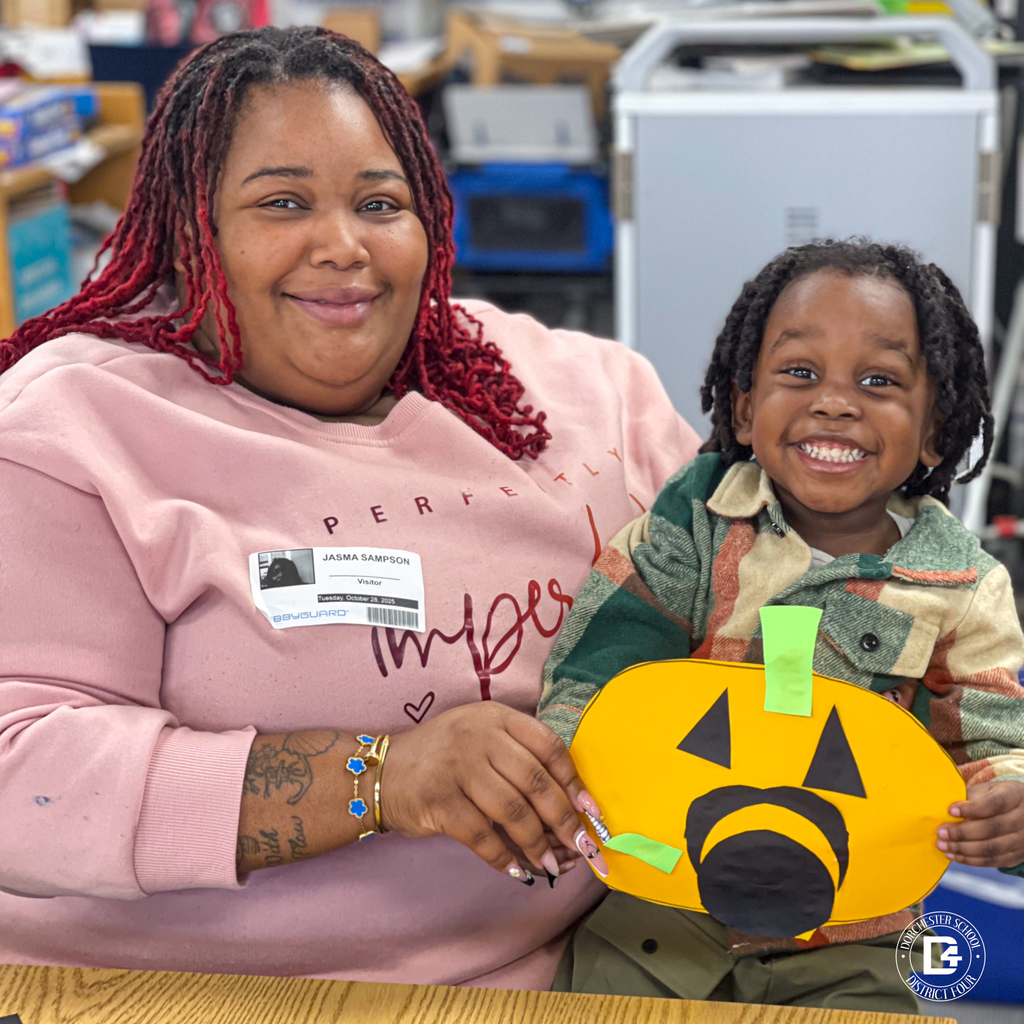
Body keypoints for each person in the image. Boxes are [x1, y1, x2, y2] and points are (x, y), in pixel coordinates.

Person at [0, 27, 702, 984]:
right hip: (172, 995)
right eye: (282, 202)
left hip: (585, 965)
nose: (343, 246)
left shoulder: (592, 390)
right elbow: (20, 775)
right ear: (187, 228)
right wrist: (384, 775)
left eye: (381, 203)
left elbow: (759, 583)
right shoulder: (76, 429)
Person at [539, 240, 1024, 1010]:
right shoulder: (684, 531)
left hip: (856, 936)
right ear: (742, 406)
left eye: (880, 381)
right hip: (657, 913)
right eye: (799, 374)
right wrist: (566, 778)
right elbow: (594, 679)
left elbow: (996, 744)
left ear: (935, 429)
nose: (835, 401)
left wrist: (1007, 803)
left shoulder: (966, 588)